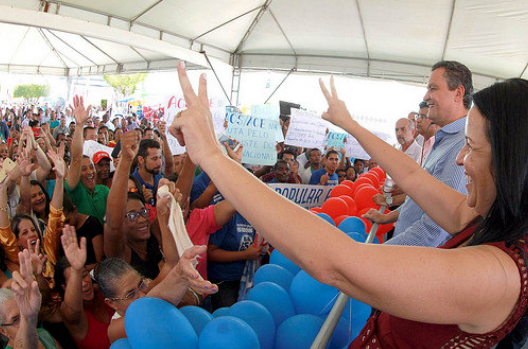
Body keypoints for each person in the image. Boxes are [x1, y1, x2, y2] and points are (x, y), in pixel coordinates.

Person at [169, 62, 528, 347]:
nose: (461, 159)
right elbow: (415, 179)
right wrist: (349, 124)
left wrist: (214, 158)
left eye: (473, 147)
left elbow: (336, 264)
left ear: (513, 161)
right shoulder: (482, 217)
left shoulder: (496, 275)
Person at [95, 247, 218, 343]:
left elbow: (170, 263)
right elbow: (146, 311)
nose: (142, 295)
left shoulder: (149, 290)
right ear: (111, 303)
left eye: (141, 283)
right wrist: (179, 275)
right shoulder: (115, 329)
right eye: (131, 294)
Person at [55, 225, 113, 349]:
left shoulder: (104, 291)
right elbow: (72, 310)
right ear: (65, 287)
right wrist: (76, 270)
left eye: (84, 275)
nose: (83, 283)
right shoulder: (70, 313)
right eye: (75, 281)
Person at [0, 250, 61, 349]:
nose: (26, 320)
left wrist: (36, 276)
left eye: (23, 312)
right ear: (3, 331)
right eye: (15, 319)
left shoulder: (43, 334)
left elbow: (45, 296)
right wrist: (28, 317)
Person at [65, 96, 109, 225]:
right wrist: (79, 125)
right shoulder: (75, 190)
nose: (90, 171)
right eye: (83, 169)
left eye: (91, 167)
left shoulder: (104, 191)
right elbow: (76, 158)